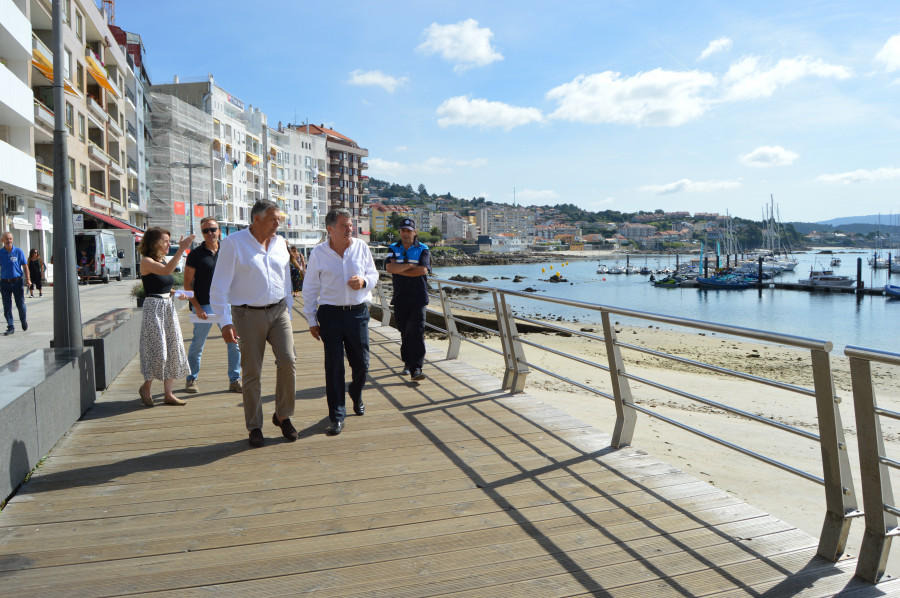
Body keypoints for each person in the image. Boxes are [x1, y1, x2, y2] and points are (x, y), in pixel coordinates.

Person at [211, 199, 297, 448]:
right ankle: (255, 426)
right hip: (247, 314)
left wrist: (289, 309)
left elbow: (286, 279)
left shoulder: (281, 243)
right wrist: (225, 321)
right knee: (252, 372)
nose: (278, 223)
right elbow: (218, 286)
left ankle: (283, 415)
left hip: (279, 310)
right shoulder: (233, 243)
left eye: (279, 218)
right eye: (273, 218)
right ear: (257, 219)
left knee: (289, 361)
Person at [303, 208, 379, 436]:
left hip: (357, 313)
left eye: (350, 225)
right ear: (330, 229)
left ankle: (356, 393)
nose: (350, 229)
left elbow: (374, 275)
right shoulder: (318, 253)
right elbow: (310, 288)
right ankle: (337, 415)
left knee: (362, 365)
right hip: (330, 315)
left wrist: (364, 281)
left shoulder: (361, 247)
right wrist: (310, 319)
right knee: (334, 366)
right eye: (345, 225)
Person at [183, 217, 242, 394]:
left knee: (234, 343)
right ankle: (191, 378)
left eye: (213, 229)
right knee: (197, 344)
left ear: (219, 231)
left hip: (227, 304)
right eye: (205, 231)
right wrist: (197, 306)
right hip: (204, 305)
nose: (210, 233)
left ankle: (235, 380)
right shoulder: (195, 255)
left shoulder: (228, 250)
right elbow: (187, 285)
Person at [137, 227, 194, 407]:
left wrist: (176, 292)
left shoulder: (161, 261)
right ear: (154, 243)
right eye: (165, 241)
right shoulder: (146, 261)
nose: (168, 244)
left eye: (169, 241)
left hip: (167, 307)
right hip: (154, 309)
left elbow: (161, 284)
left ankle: (168, 394)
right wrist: (181, 249)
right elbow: (168, 271)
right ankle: (146, 387)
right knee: (158, 350)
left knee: (171, 348)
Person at [385, 218, 430, 380]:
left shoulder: (423, 249)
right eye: (403, 230)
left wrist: (400, 269)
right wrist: (410, 266)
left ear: (415, 232)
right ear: (400, 232)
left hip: (418, 297)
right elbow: (389, 267)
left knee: (417, 331)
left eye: (409, 230)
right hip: (400, 296)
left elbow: (423, 270)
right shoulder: (392, 248)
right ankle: (407, 362)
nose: (406, 233)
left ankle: (416, 368)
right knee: (404, 331)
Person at [0, 232, 29, 336]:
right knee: (7, 306)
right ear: (2, 241)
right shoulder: (0, 253)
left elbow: (25, 266)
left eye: (10, 239)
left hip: (17, 281)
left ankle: (23, 320)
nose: (9, 241)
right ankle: (10, 326)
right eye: (7, 239)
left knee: (20, 304)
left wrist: (28, 279)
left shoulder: (18, 251)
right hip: (4, 283)